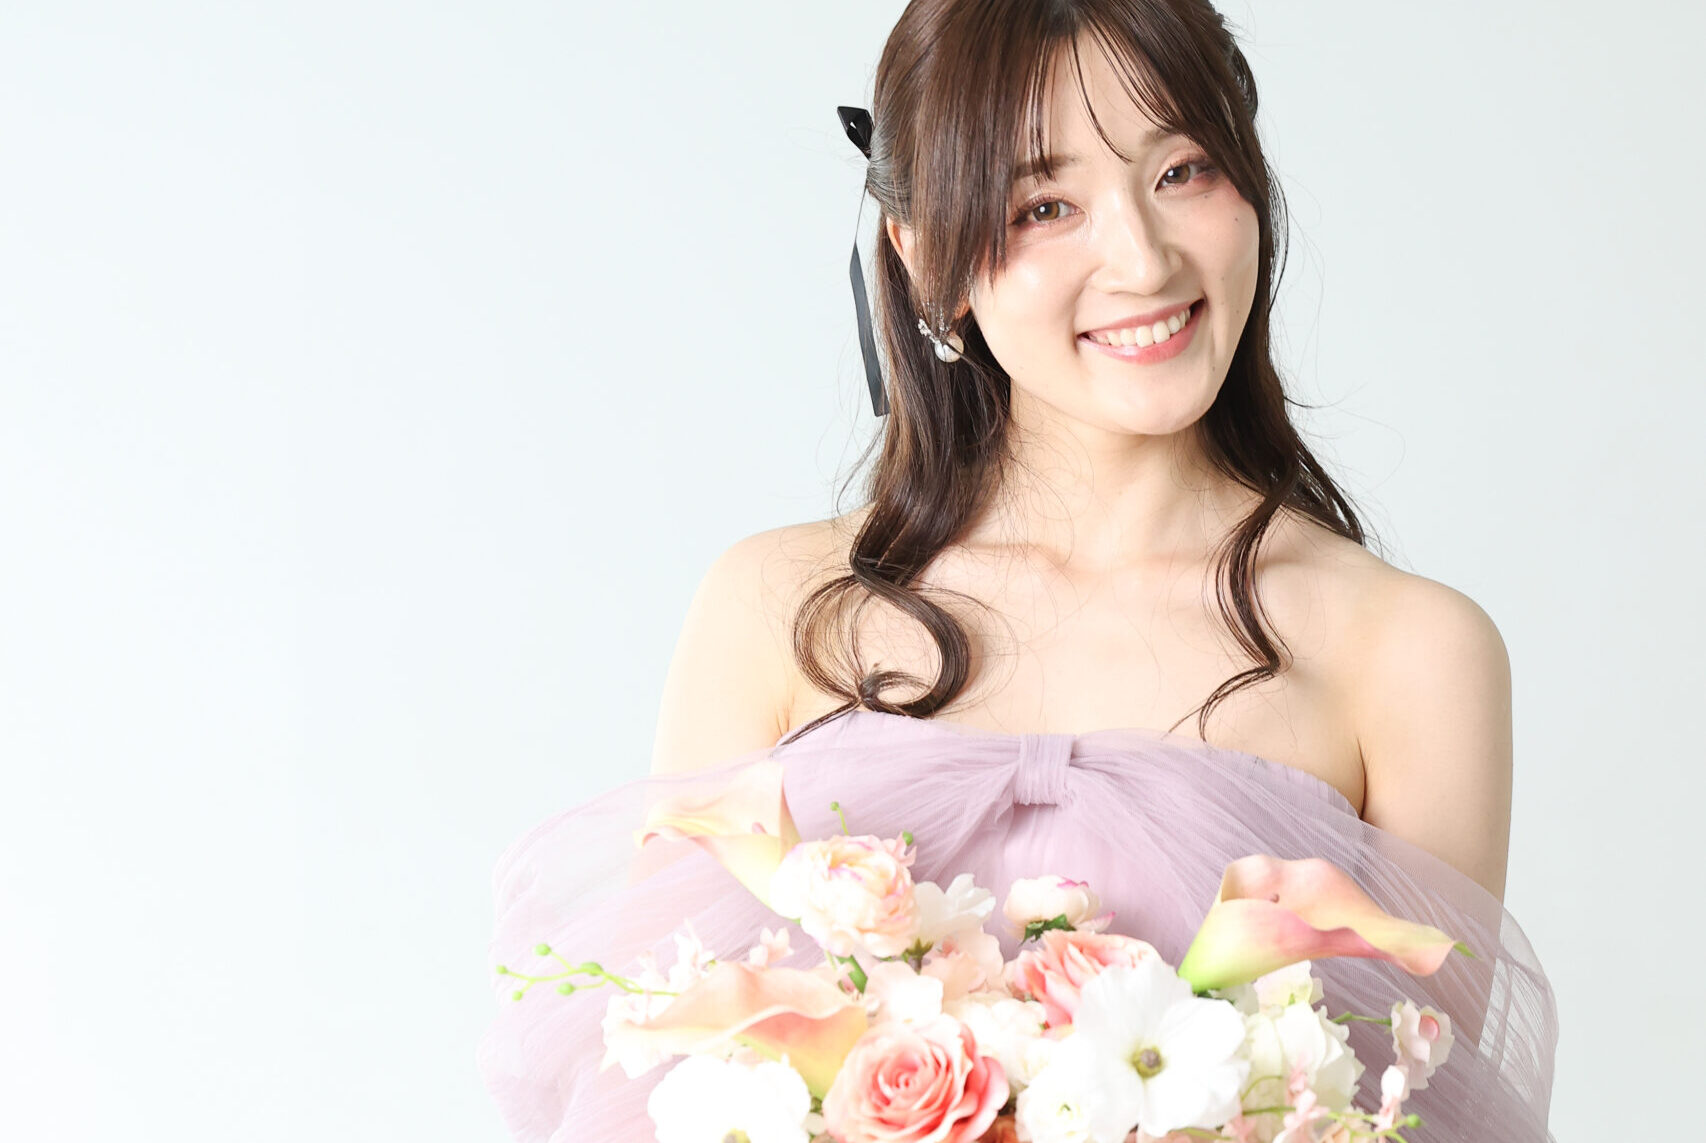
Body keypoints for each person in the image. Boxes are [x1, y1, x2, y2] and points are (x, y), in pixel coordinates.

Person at [479, 2, 1559, 1139]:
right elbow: (658, 1081)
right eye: (1044, 206)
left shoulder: (1410, 651)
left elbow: (1409, 1108)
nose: (1142, 259)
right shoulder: (774, 612)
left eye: (1182, 170)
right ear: (924, 257)